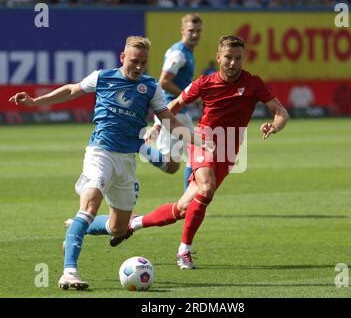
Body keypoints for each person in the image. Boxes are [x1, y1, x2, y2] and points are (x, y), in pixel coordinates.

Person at [8, 36, 213, 290]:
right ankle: (69, 272)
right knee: (91, 203)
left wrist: (196, 139)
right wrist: (35, 102)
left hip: (127, 160)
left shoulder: (150, 87)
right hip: (100, 152)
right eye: (134, 61)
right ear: (122, 57)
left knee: (118, 228)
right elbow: (72, 89)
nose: (138, 67)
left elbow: (168, 118)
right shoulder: (103, 77)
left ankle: (78, 226)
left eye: (143, 62)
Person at [118, 35, 289, 269]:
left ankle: (134, 223)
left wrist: (275, 125)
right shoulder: (205, 82)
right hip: (203, 141)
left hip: (229, 149)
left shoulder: (253, 83)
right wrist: (157, 126)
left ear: (243, 59)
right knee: (207, 189)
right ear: (219, 57)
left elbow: (280, 111)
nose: (232, 63)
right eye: (228, 57)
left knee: (182, 209)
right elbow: (175, 104)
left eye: (238, 58)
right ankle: (184, 251)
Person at [147, 13, 202, 189]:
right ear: (182, 30)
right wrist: (188, 96)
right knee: (172, 166)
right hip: (170, 110)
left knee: (195, 154)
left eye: (198, 31)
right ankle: (137, 145)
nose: (195, 34)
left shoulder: (186, 52)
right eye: (191, 30)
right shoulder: (179, 53)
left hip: (181, 111)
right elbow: (164, 81)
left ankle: (190, 203)